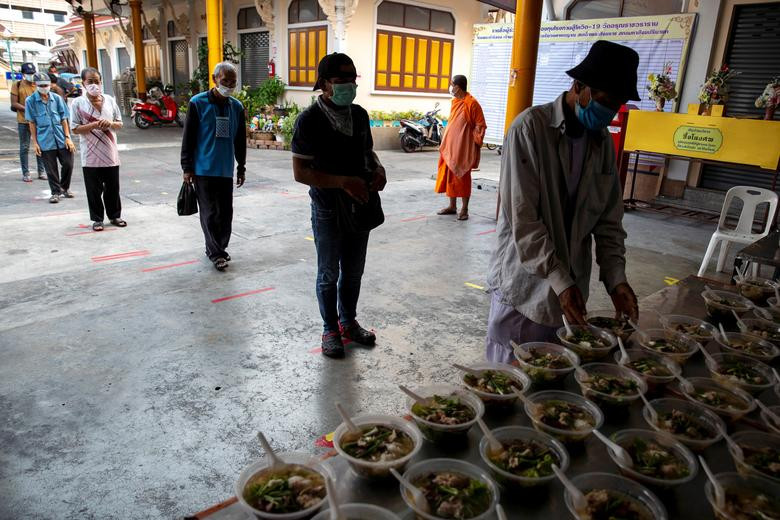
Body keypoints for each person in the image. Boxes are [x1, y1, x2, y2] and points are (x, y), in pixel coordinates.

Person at [485, 40, 640, 364]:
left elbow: (610, 221)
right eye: (605, 102)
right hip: (525, 287)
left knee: (552, 381)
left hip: (570, 290)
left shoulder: (602, 146)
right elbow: (523, 219)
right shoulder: (529, 129)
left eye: (616, 106)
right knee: (509, 377)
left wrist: (616, 278)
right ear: (579, 86)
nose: (609, 114)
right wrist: (558, 279)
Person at [291, 52, 386, 358]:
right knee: (328, 273)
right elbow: (301, 172)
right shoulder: (309, 121)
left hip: (360, 205)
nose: (348, 85)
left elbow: (368, 153)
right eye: (340, 80)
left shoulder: (358, 115)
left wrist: (379, 170)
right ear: (324, 84)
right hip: (328, 209)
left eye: (352, 79)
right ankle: (329, 328)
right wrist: (343, 182)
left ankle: (348, 322)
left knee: (354, 272)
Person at [180, 62, 246, 271]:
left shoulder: (235, 107)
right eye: (225, 80)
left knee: (225, 214)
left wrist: (241, 166)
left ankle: (216, 247)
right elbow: (188, 138)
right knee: (209, 213)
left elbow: (240, 140)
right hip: (203, 170)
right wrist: (187, 167)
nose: (229, 85)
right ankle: (217, 253)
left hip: (225, 170)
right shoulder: (197, 103)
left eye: (233, 82)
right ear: (214, 78)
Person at [70, 67, 126, 231]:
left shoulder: (109, 100)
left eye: (97, 81)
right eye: (90, 81)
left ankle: (115, 215)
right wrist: (93, 125)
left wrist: (110, 124)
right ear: (83, 83)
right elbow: (75, 128)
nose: (94, 84)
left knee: (113, 188)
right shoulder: (78, 103)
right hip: (90, 154)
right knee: (94, 190)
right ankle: (97, 219)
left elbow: (119, 123)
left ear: (101, 82)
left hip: (110, 153)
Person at [435, 75, 486, 221]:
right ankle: (452, 206)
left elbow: (480, 125)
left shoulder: (472, 103)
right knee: (451, 177)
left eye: (452, 84)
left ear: (457, 87)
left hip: (463, 148)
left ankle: (464, 209)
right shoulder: (455, 102)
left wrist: (472, 139)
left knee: (462, 177)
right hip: (450, 147)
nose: (450, 87)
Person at [26, 72, 75, 204]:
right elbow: (32, 122)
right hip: (45, 140)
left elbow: (64, 119)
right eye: (41, 85)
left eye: (46, 85)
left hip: (61, 137)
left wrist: (67, 137)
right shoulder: (30, 101)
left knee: (68, 163)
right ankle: (55, 192)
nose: (44, 87)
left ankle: (64, 187)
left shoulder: (57, 99)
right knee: (51, 169)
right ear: (35, 85)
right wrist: (35, 143)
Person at [10, 63, 46, 182]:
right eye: (28, 74)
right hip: (24, 121)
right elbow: (14, 103)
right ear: (23, 74)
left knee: (40, 146)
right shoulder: (17, 85)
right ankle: (26, 173)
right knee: (24, 147)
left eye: (32, 73)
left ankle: (41, 171)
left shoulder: (38, 84)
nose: (31, 76)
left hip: (38, 121)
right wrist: (28, 109)